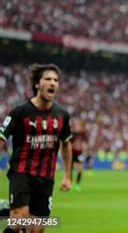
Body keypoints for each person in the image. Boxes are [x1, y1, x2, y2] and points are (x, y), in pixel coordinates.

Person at [0, 63, 73, 233]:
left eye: (56, 80)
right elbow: (1, 137)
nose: (53, 83)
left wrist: (68, 176)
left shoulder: (62, 115)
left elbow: (66, 143)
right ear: (37, 84)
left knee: (36, 229)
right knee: (19, 220)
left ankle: (5, 210)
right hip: (22, 172)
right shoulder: (19, 112)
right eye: (48, 79)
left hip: (46, 177)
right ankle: (11, 211)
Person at [70, 122, 88, 192]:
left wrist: (84, 149)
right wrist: (74, 146)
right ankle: (69, 184)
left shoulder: (83, 134)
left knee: (80, 169)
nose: (77, 127)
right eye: (76, 126)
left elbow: (86, 143)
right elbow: (68, 144)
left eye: (78, 126)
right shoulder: (72, 134)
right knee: (70, 170)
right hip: (71, 153)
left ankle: (77, 185)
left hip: (79, 154)